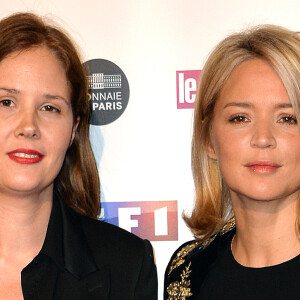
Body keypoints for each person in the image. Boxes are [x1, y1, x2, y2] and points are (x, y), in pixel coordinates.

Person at [0, 12, 157, 300]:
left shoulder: (127, 266)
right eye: (6, 102)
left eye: (50, 108)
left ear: (73, 129)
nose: (28, 127)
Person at [164, 24, 300, 299]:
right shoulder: (187, 270)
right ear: (207, 139)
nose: (263, 138)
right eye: (240, 118)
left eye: (287, 118)